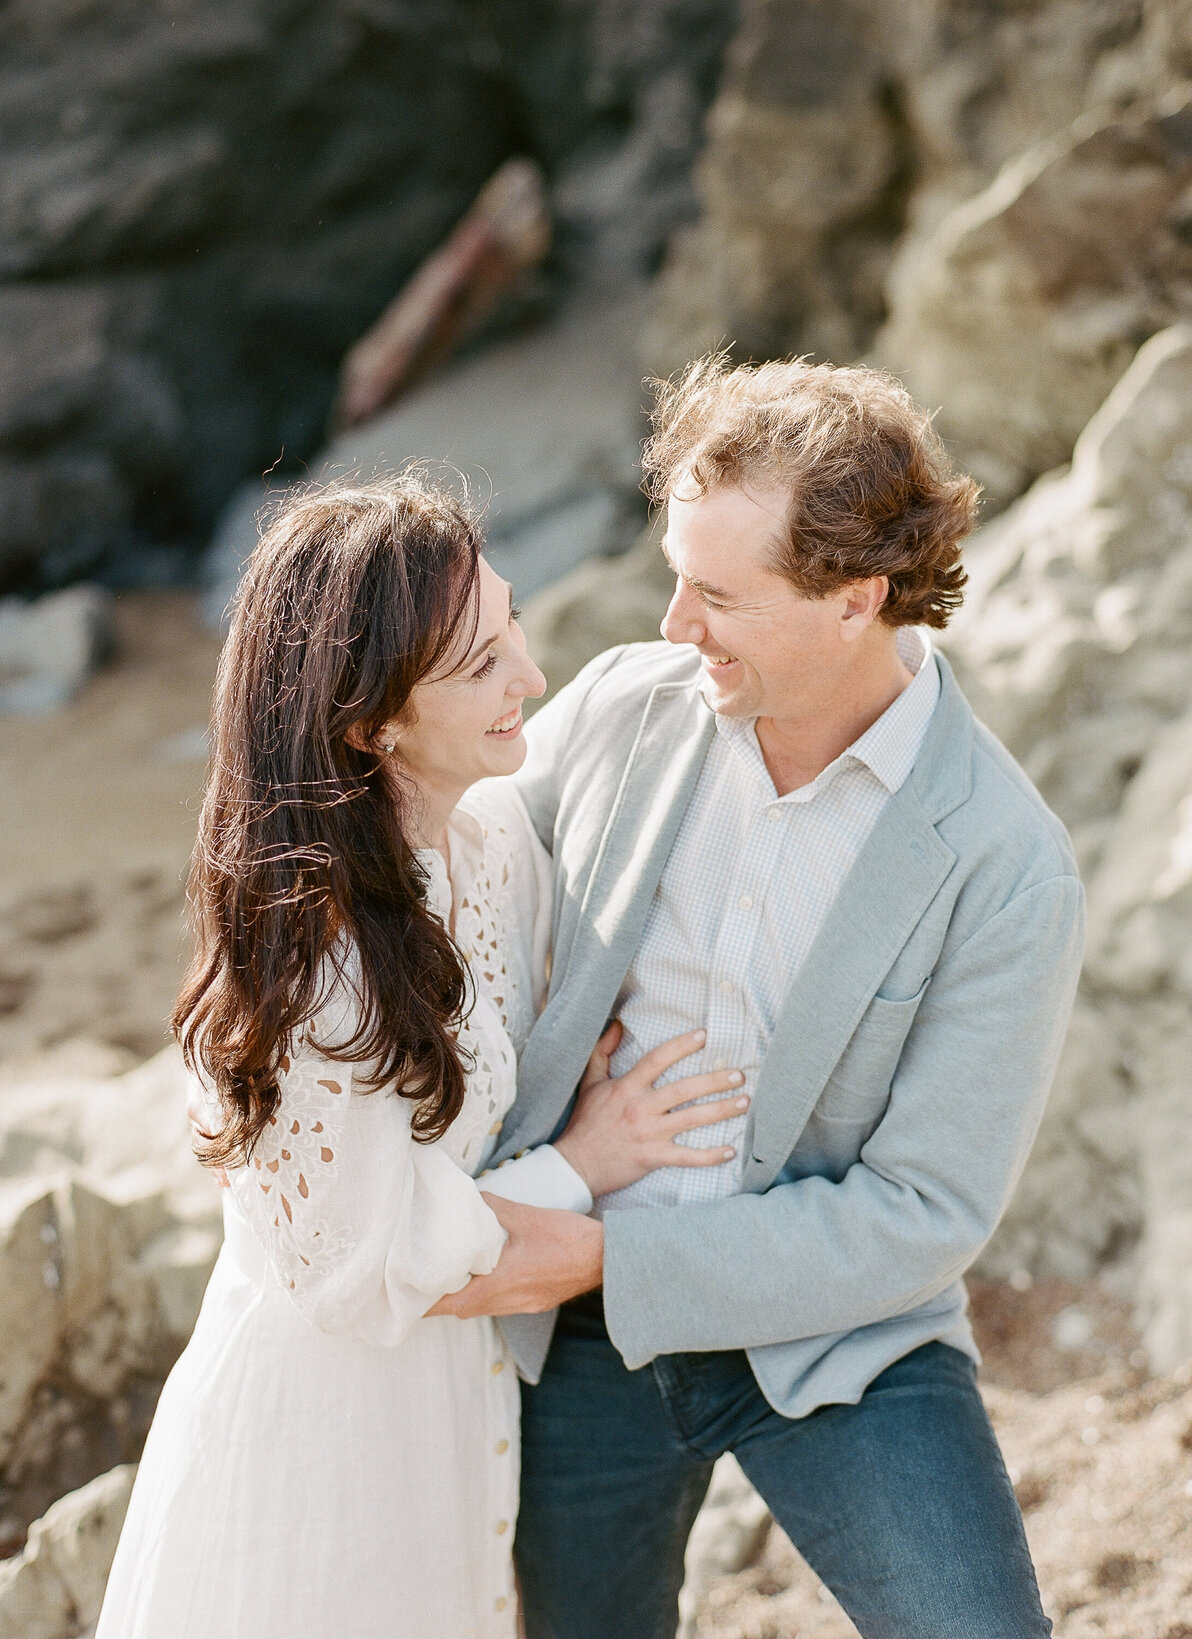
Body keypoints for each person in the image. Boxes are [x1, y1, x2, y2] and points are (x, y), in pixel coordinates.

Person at [437, 357, 1087, 1638]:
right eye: (677, 572)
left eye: (721, 595)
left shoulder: (1006, 865)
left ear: (858, 600)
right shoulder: (627, 708)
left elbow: (922, 1213)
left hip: (838, 1338)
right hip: (573, 1331)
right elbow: (443, 882)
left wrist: (614, 1252)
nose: (676, 622)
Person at [95, 477, 750, 1639]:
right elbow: (364, 1264)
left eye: (513, 629)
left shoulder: (490, 839)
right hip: (321, 1462)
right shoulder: (313, 957)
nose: (532, 681)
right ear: (369, 721)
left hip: (453, 1416)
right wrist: (587, 1167)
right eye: (482, 664)